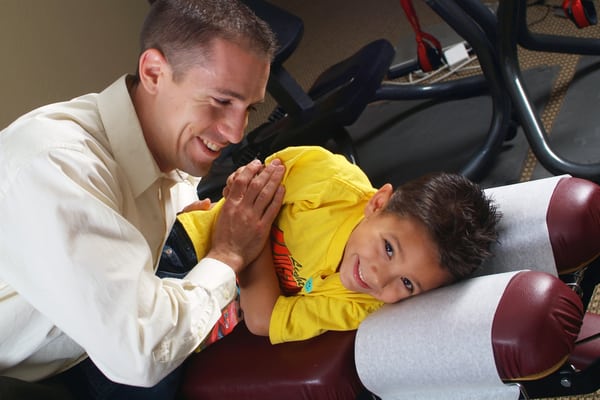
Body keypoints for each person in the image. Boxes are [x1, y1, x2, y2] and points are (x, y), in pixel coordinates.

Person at [0, 0, 285, 399]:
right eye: (221, 101)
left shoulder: (166, 135)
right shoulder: (55, 164)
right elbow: (142, 354)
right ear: (154, 73)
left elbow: (178, 184)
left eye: (249, 108)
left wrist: (185, 210)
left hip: (89, 337)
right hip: (27, 377)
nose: (237, 132)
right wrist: (228, 254)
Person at [165, 145, 501, 344]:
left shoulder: (362, 305)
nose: (379, 279)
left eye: (408, 284)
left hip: (204, 321)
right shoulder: (327, 181)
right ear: (378, 203)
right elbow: (245, 192)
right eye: (388, 249)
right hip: (186, 249)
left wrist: (253, 235)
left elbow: (262, 320)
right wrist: (241, 217)